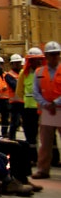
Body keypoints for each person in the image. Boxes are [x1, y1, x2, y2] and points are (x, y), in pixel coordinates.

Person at [33, 41, 61, 178]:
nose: (54, 57)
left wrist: (55, 103)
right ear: (47, 56)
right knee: (45, 143)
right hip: (46, 111)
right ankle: (43, 169)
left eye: (56, 54)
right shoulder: (39, 72)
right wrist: (45, 104)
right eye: (52, 54)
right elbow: (35, 91)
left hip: (59, 109)